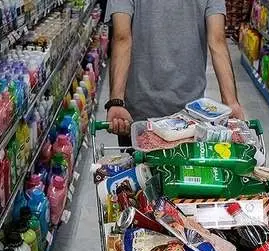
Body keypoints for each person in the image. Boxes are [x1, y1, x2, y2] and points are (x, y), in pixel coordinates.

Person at [104, 0, 245, 145]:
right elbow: (217, 40)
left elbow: (122, 38)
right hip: (190, 115)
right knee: (186, 160)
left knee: (137, 158)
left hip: (138, 114)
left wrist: (116, 102)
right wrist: (231, 102)